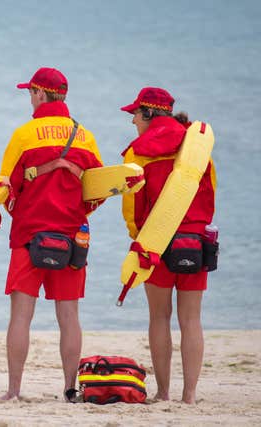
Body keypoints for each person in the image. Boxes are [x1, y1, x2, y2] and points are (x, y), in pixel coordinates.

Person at [0, 68, 103, 402]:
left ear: (40, 94)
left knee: (21, 316)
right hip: (72, 239)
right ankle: (71, 389)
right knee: (69, 316)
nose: (30, 98)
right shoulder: (85, 136)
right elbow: (98, 191)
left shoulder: (24, 134)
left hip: (29, 235)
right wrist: (74, 211)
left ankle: (14, 391)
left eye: (30, 92)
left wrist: (23, 209)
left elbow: (5, 189)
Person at [119, 87, 216, 404]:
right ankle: (189, 396)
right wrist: (196, 226)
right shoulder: (197, 146)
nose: (133, 120)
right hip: (195, 242)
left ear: (148, 113)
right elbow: (209, 192)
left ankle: (163, 393)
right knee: (192, 320)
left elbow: (131, 210)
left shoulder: (138, 152)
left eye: (135, 113)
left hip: (157, 243)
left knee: (159, 317)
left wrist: (140, 238)